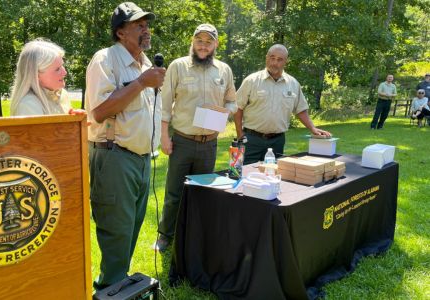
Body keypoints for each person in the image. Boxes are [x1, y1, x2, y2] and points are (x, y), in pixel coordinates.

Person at [84, 2, 165, 289]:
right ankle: (109, 289)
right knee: (116, 231)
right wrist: (142, 83)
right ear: (120, 32)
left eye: (147, 24)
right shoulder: (105, 60)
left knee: (130, 229)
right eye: (139, 25)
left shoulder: (145, 64)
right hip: (114, 156)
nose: (146, 30)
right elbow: (99, 112)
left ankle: (115, 285)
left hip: (142, 159)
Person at [154, 24, 237, 252]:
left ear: (215, 45)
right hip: (182, 140)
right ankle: (165, 236)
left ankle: (195, 235)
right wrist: (164, 136)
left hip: (209, 143)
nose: (203, 45)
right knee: (174, 193)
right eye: (199, 41)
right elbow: (164, 104)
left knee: (202, 194)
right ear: (192, 42)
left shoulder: (224, 70)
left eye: (208, 42)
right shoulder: (178, 66)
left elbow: (232, 100)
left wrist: (225, 112)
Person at [234, 44, 331, 164]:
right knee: (246, 174)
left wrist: (312, 128)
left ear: (286, 62)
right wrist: (239, 133)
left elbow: (300, 109)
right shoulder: (252, 81)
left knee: (273, 175)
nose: (274, 62)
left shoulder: (293, 84)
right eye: (272, 57)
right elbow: (238, 107)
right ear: (266, 58)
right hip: (252, 140)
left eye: (280, 59)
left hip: (277, 141)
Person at [10, 39, 75, 116]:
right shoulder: (28, 104)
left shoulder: (61, 95)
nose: (65, 72)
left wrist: (79, 122)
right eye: (57, 69)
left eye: (62, 66)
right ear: (36, 75)